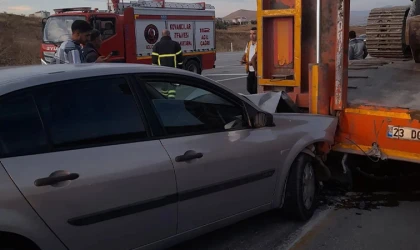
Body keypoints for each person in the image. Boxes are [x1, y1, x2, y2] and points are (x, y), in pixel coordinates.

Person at [241, 27, 258, 94]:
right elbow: (245, 53)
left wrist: (252, 62)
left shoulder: (259, 44)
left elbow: (255, 57)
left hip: (256, 70)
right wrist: (243, 59)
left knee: (255, 90)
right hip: (250, 70)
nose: (252, 35)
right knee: (249, 88)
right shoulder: (249, 43)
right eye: (250, 34)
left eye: (254, 34)